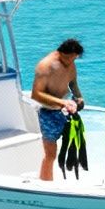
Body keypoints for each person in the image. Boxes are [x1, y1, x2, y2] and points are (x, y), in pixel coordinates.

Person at [30, 38, 85, 181]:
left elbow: (72, 82)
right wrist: (62, 103)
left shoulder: (71, 63)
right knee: (50, 154)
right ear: (61, 53)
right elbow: (36, 94)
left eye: (74, 59)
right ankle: (46, 183)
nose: (70, 62)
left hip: (65, 112)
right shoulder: (45, 66)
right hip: (47, 113)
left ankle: (64, 178)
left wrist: (79, 97)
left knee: (71, 149)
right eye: (68, 58)